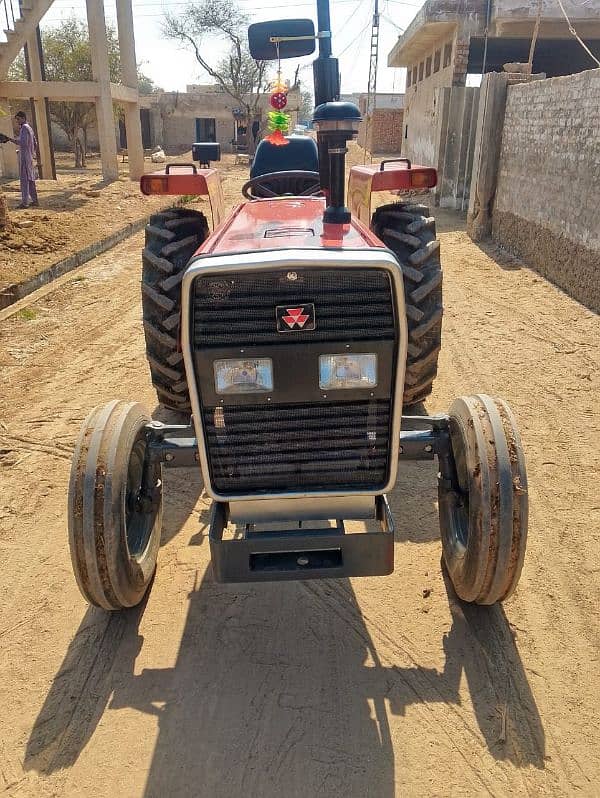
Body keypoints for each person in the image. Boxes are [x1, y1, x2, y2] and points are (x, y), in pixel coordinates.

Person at [8, 111, 39, 209]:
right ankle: (35, 200)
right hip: (29, 157)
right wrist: (30, 152)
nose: (17, 121)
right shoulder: (29, 128)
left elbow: (23, 143)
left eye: (18, 119)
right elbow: (35, 143)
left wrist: (10, 139)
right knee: (31, 180)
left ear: (23, 118)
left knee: (25, 180)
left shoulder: (24, 128)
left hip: (25, 158)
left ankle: (25, 203)